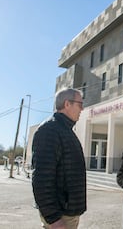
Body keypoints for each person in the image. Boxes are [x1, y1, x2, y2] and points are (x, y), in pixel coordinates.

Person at [32, 88, 86, 229]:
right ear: (67, 104)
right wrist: (53, 218)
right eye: (80, 104)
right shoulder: (49, 130)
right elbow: (42, 178)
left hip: (68, 213)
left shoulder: (65, 130)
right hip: (60, 216)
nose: (82, 108)